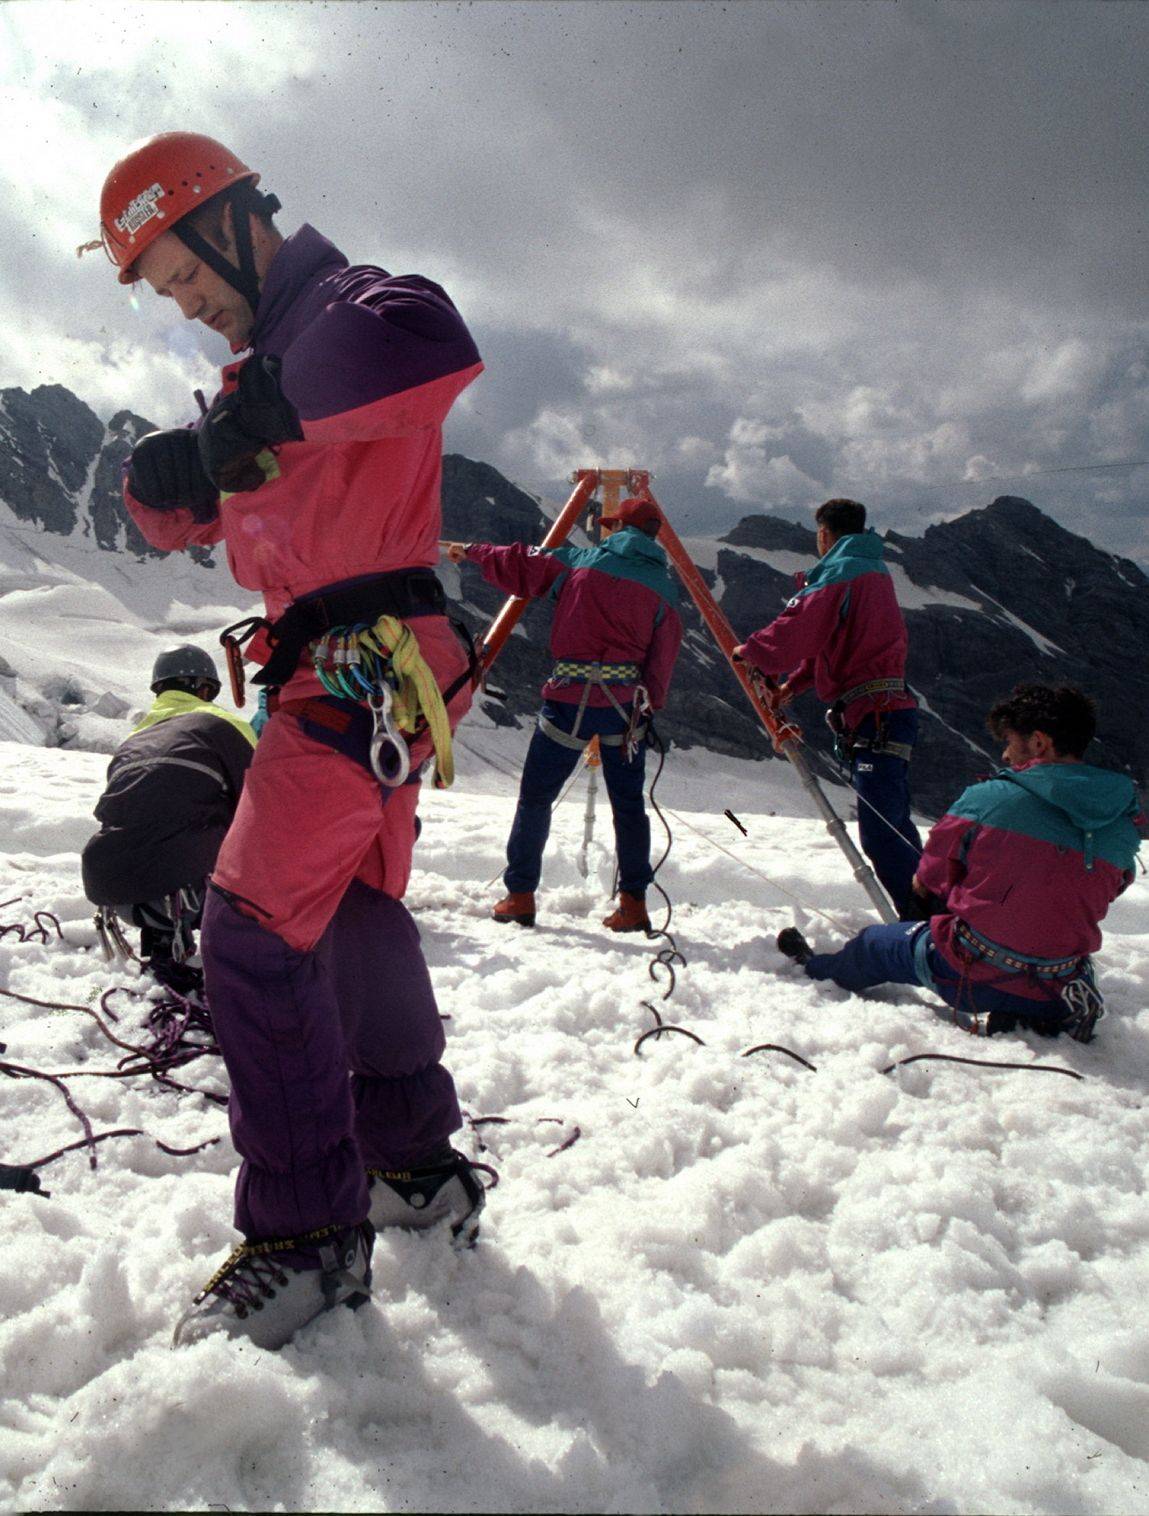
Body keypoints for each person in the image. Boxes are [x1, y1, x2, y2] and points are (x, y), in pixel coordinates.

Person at [89, 131, 485, 1349]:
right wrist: (185, 464)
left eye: (183, 272)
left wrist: (241, 421)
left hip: (362, 665)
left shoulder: (355, 307)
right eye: (163, 292)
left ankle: (306, 1233)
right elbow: (172, 512)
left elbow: (431, 337)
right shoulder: (262, 367)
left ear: (231, 220)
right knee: (350, 914)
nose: (186, 302)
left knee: (249, 933)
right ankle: (412, 1162)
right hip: (353, 669)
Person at [777, 685, 1144, 1040]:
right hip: (1056, 984)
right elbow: (1106, 890)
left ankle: (815, 968)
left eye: (1010, 742)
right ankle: (1037, 1012)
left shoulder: (988, 799)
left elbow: (930, 878)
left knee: (873, 945)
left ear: (1038, 743)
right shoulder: (1123, 827)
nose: (1005, 756)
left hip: (972, 976)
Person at [445, 495, 683, 931]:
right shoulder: (664, 589)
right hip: (624, 708)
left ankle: (520, 896)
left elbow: (521, 562)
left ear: (614, 528)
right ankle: (633, 904)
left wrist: (474, 552)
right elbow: (662, 660)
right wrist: (651, 705)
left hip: (568, 699)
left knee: (536, 797)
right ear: (653, 536)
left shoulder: (580, 562)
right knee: (629, 806)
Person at [732, 498, 923, 918]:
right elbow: (833, 643)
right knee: (894, 824)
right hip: (885, 710)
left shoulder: (840, 571)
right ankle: (931, 915)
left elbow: (803, 626)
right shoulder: (871, 570)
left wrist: (754, 652)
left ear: (823, 533)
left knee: (882, 833)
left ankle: (924, 926)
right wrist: (792, 687)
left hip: (875, 715)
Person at [82, 646, 255, 995]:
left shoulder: (133, 741)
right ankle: (249, 955)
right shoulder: (225, 726)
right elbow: (261, 805)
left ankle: (164, 947)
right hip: (187, 893)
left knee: (169, 825)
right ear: (205, 689)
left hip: (115, 890)